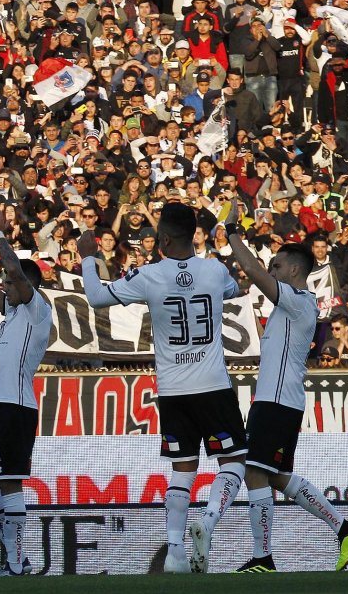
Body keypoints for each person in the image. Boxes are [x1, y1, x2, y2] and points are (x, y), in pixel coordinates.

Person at [79, 203, 247, 574]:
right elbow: (236, 289)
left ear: (164, 238)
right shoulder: (214, 270)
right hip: (213, 385)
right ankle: (211, 518)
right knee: (233, 461)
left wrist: (89, 259)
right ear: (194, 236)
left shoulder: (149, 275)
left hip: (172, 389)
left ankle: (174, 553)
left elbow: (95, 297)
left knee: (183, 470)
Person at [226, 217, 348, 573]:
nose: (270, 270)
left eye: (276, 265)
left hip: (275, 403)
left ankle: (263, 558)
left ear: (292, 269)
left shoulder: (299, 301)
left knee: (254, 472)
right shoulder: (290, 306)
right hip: (280, 402)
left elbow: (251, 270)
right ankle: (344, 528)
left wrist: (232, 234)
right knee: (275, 476)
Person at [0, 209, 52, 576]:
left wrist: (0, 234)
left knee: (8, 480)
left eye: (10, 281)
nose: (5, 284)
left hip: (17, 406)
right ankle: (17, 557)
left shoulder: (37, 308)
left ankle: (17, 563)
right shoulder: (12, 309)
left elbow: (17, 273)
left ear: (27, 286)